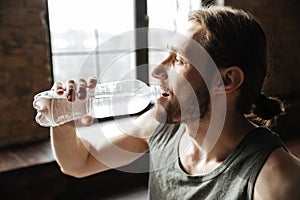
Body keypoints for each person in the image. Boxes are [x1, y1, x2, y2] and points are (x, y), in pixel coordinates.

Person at [45, 6, 300, 200]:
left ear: (227, 80)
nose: (156, 70)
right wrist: (63, 119)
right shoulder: (158, 127)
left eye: (178, 59)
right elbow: (78, 163)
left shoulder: (277, 178)